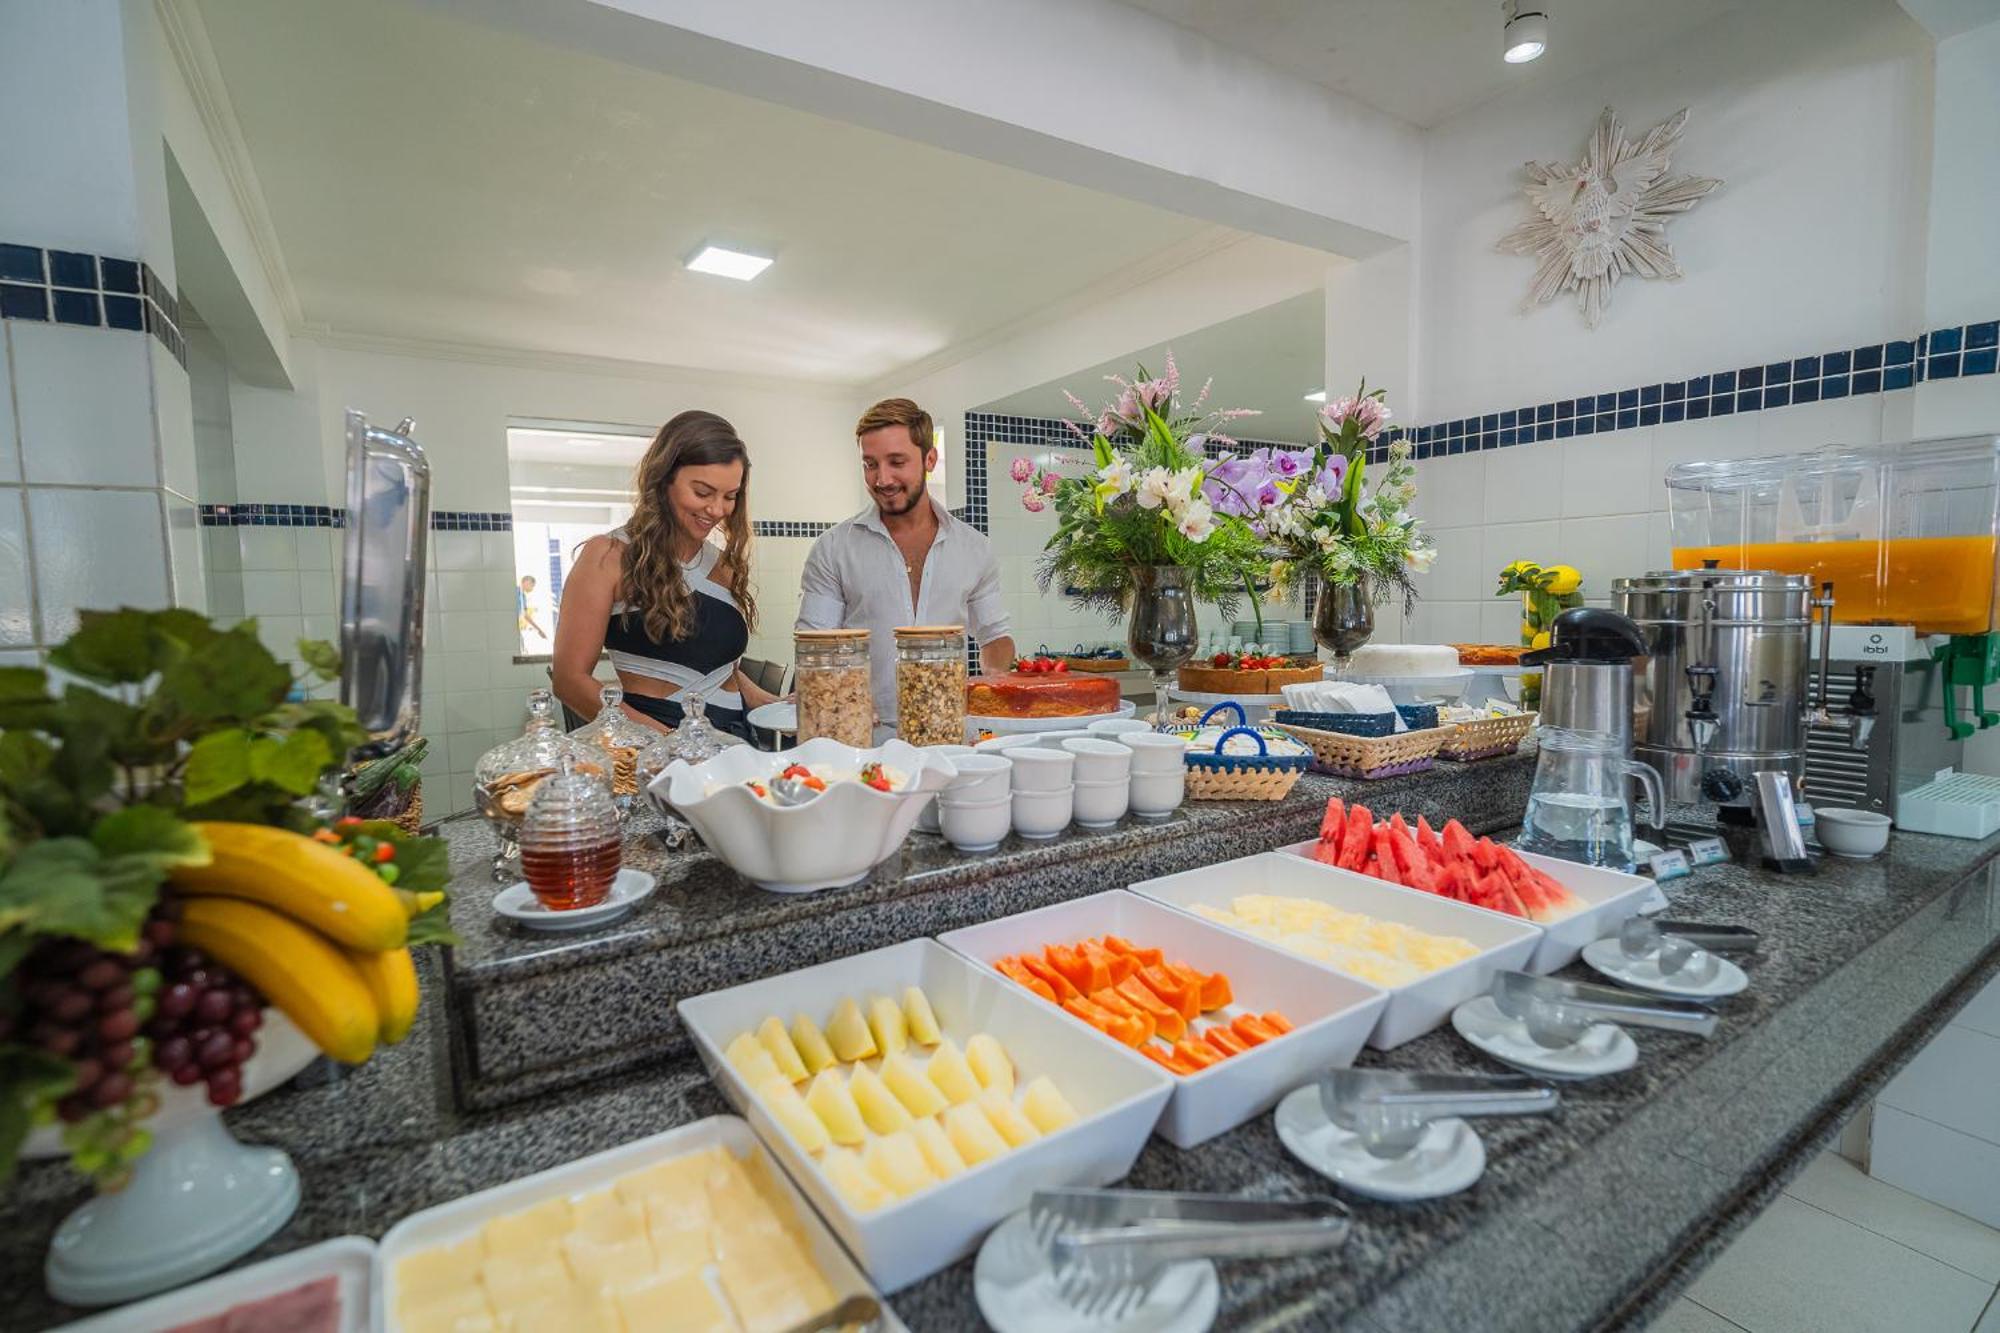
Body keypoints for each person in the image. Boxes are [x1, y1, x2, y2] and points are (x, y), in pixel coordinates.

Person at [553, 410, 779, 740]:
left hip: (733, 747)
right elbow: (570, 681)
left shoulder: (724, 565)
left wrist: (776, 705)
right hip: (653, 753)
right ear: (664, 480)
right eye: (703, 492)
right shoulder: (608, 556)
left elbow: (720, 669)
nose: (717, 510)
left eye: (730, 497)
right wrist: (667, 743)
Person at [798, 397, 1014, 728]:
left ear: (930, 458)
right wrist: (841, 698)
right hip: (863, 734)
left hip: (950, 730)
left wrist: (995, 676)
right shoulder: (833, 549)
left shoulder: (975, 549)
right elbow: (816, 645)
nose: (882, 479)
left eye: (896, 462)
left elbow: (995, 634)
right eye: (870, 464)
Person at [516, 574, 548, 642]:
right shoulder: (515, 592)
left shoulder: (523, 596)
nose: (532, 589)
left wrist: (539, 630)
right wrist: (539, 630)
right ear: (526, 582)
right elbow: (525, 615)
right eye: (532, 586)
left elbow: (525, 615)